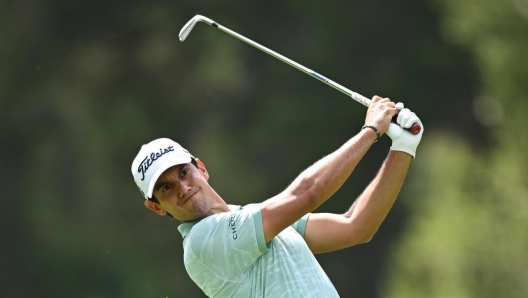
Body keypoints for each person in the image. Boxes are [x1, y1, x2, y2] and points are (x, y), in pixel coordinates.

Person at [131, 96, 423, 297]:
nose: (182, 188)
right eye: (166, 188)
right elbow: (308, 193)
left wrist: (403, 148)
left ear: (201, 168)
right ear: (156, 207)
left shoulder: (252, 220)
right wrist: (371, 130)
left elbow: (356, 226)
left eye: (183, 173)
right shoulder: (202, 242)